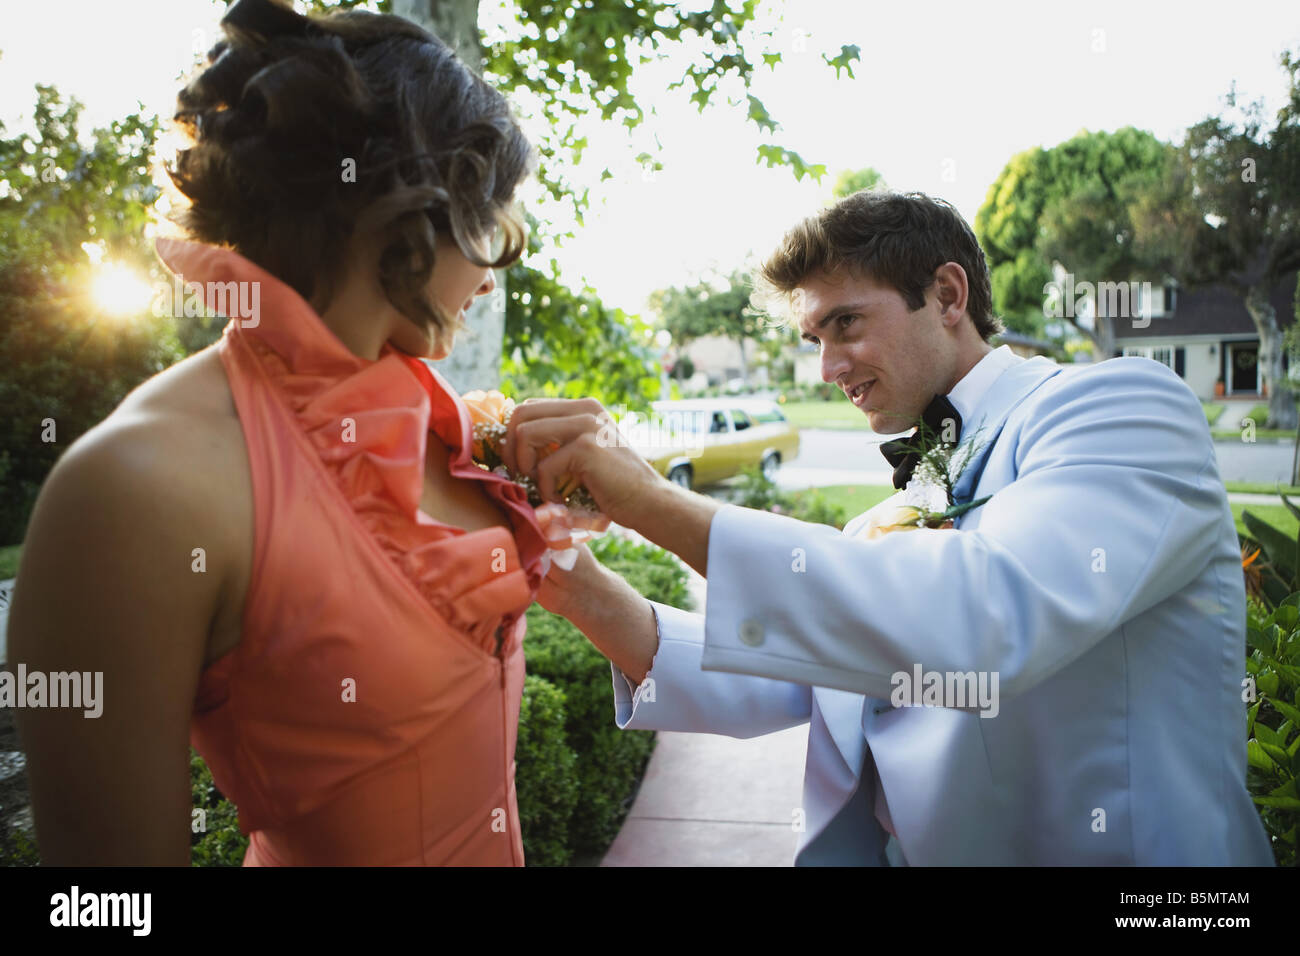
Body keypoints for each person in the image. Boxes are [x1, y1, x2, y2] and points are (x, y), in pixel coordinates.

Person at [508, 190, 1276, 865]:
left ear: (948, 295)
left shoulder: (1124, 410)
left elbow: (987, 613)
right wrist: (556, 569)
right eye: (815, 338)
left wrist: (648, 499)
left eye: (846, 323)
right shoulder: (884, 519)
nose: (827, 367)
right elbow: (766, 679)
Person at [10, 0, 560, 865]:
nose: (492, 277)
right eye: (489, 222)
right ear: (407, 210)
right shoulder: (139, 485)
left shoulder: (425, 412)